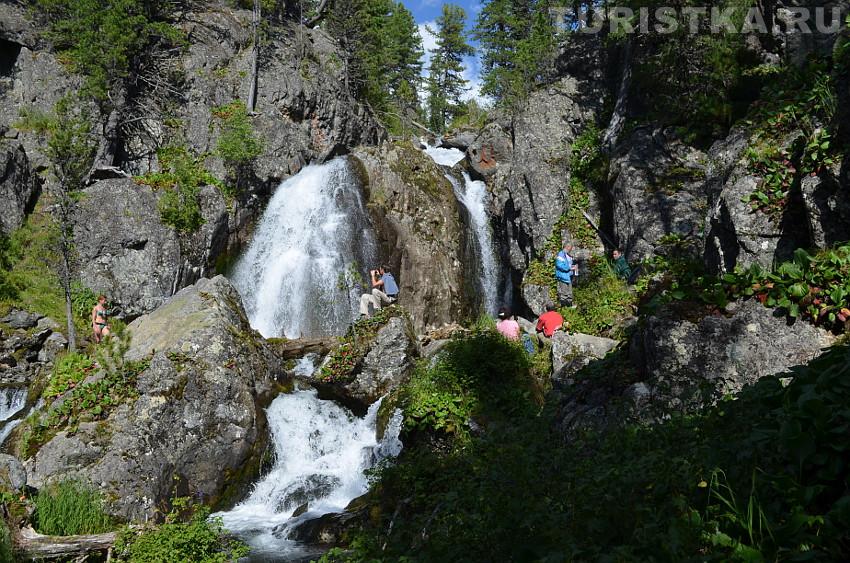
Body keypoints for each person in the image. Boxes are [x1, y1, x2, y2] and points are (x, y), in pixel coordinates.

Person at [555, 244, 578, 308]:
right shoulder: (561, 255)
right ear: (567, 247)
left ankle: (569, 306)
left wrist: (573, 266)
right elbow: (559, 265)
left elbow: (568, 264)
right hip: (563, 276)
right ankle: (564, 307)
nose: (570, 250)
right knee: (564, 293)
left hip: (568, 276)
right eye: (570, 248)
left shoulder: (567, 255)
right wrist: (569, 268)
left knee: (570, 292)